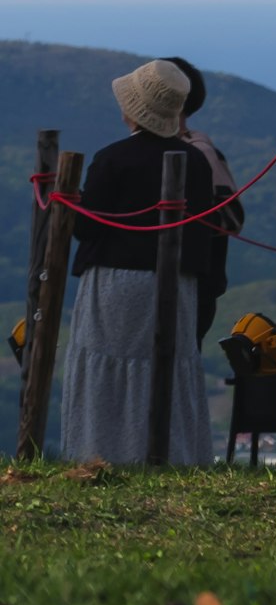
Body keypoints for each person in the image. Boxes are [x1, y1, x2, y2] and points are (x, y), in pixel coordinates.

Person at [57, 57, 241, 464]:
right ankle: (170, 454)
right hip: (178, 284)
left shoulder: (111, 158)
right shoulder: (195, 161)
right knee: (166, 369)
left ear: (132, 110)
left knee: (107, 366)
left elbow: (88, 228)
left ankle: (99, 453)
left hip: (116, 284)